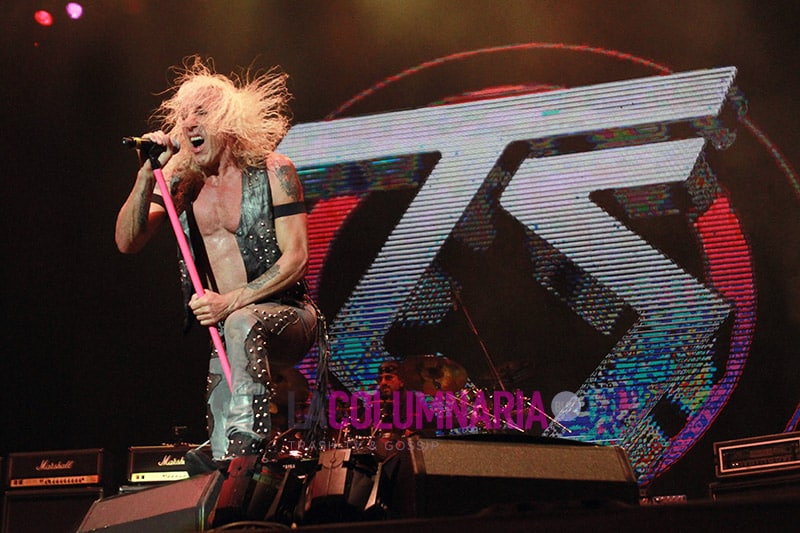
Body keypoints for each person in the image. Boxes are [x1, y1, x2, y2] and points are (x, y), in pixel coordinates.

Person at [115, 56, 319, 465]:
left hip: (290, 317)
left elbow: (297, 258)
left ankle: (247, 447)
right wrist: (146, 175)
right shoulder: (180, 180)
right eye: (183, 115)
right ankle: (230, 467)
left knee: (241, 322)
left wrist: (232, 301)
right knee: (219, 443)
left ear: (227, 121)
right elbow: (127, 242)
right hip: (231, 332)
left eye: (202, 113)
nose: (189, 122)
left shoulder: (274, 171)